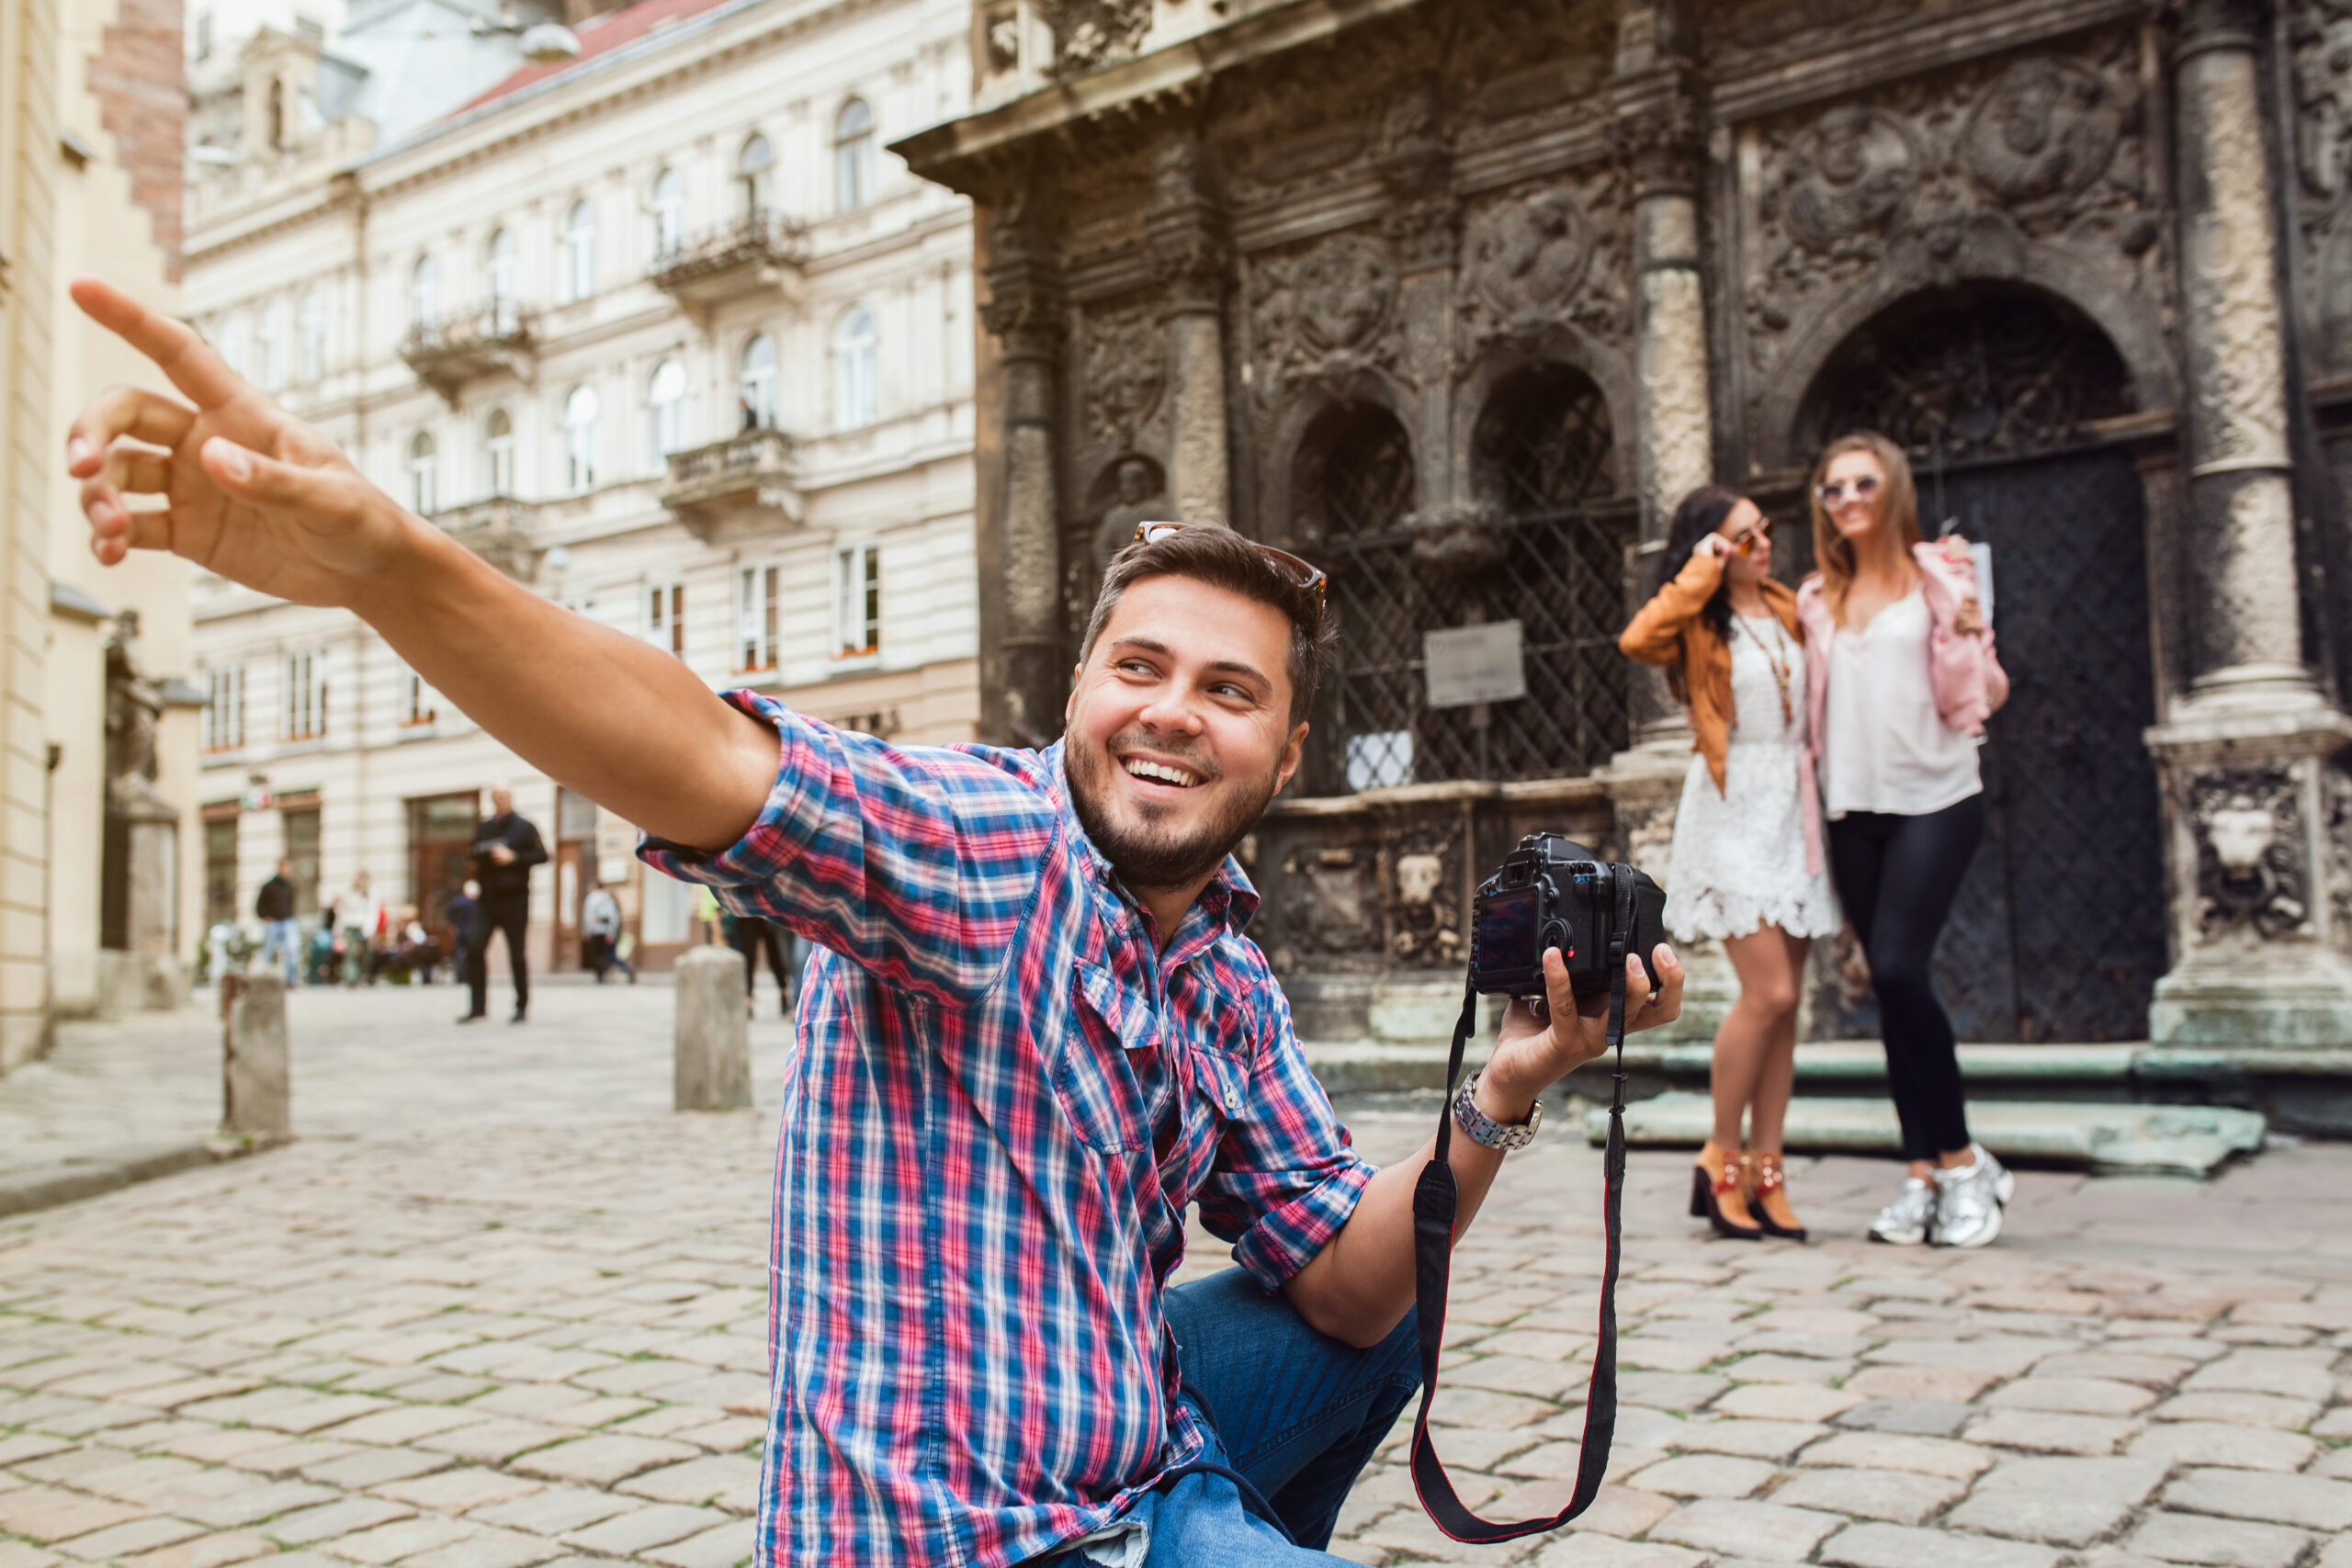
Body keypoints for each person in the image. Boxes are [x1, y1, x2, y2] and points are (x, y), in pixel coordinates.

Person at [63, 276, 1684, 1568]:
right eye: (1138, 668)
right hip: (957, 1534)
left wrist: (1510, 1086)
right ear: (1075, 692)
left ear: (1288, 749)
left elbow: (1341, 1289)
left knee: (1393, 1317)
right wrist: (392, 566)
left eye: (1228, 690)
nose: (1172, 715)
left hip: (1133, 1456)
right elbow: (698, 749)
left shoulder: (1224, 975)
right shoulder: (978, 844)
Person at [1794, 430, 2014, 1249]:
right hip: (1853, 807)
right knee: (1887, 989)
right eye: (1832, 489)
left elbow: (1988, 690)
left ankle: (1963, 1162)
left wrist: (1966, 627)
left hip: (1937, 794)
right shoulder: (1817, 597)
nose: (1848, 499)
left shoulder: (1941, 575)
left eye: (1862, 484)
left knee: (1897, 966)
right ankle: (1920, 1171)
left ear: (1892, 490)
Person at [1621, 485, 1838, 1242]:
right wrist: (1699, 572)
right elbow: (1637, 640)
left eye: (1764, 529)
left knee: (1790, 1008)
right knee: (1768, 991)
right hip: (1731, 801)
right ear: (1714, 548)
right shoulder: (1697, 620)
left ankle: (1767, 1167)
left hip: (1793, 805)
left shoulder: (1788, 605)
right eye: (1744, 536)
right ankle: (1720, 1154)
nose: (1763, 543)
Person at [471, 784, 547, 1021]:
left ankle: (521, 1006)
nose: (500, 800)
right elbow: (472, 854)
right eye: (496, 797)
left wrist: (513, 857)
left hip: (515, 899)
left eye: (503, 796)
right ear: (492, 799)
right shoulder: (485, 827)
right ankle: (478, 1007)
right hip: (488, 899)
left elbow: (542, 855)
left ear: (510, 798)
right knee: (474, 948)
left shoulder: (525, 827)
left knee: (516, 954)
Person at [448, 878, 491, 1021]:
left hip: (467, 935)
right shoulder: (469, 903)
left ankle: (461, 977)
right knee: (466, 959)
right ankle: (461, 976)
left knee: (465, 958)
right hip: (469, 935)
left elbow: (450, 912)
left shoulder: (462, 902)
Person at [731, 912, 789, 1015]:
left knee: (775, 957)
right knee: (749, 957)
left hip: (768, 914)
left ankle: (784, 994)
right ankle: (748, 999)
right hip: (748, 914)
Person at [254, 859, 300, 984]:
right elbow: (259, 905)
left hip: (287, 921)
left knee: (292, 950)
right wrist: (264, 916)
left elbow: (291, 903)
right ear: (280, 868)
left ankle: (291, 979)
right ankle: (265, 979)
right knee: (268, 951)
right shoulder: (269, 886)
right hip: (273, 923)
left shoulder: (290, 885)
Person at [582, 882, 634, 983]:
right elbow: (613, 917)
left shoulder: (592, 898)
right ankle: (603, 975)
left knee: (598, 955)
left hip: (595, 931)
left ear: (594, 887)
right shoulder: (608, 898)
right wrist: (611, 931)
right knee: (608, 954)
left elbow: (588, 916)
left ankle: (604, 971)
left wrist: (586, 930)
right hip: (607, 931)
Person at [337, 869, 382, 987]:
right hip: (350, 925)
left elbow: (373, 912)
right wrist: (338, 930)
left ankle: (362, 976)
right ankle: (351, 978)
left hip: (364, 927)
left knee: (364, 953)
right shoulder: (349, 892)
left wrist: (370, 929)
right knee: (350, 953)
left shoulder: (371, 893)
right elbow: (342, 911)